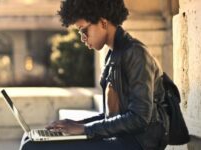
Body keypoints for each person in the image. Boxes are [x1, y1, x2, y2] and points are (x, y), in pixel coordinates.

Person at [20, 0, 169, 149]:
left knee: (32, 147)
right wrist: (76, 124)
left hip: (138, 142)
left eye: (84, 30)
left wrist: (85, 129)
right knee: (29, 138)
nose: (82, 38)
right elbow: (110, 117)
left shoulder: (135, 53)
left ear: (103, 23)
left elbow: (139, 118)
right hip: (122, 137)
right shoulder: (113, 55)